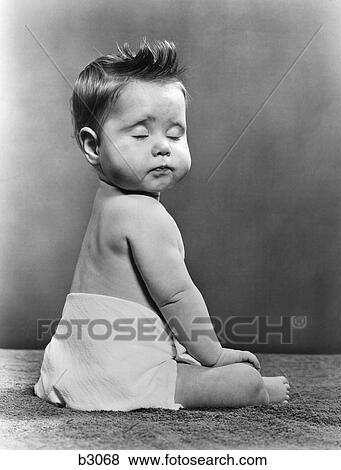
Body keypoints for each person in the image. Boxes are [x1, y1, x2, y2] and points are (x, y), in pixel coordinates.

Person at [34, 39, 290, 411]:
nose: (163, 147)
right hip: (119, 377)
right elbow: (175, 297)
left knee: (168, 354)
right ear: (93, 147)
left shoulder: (108, 203)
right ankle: (260, 391)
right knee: (245, 381)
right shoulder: (144, 214)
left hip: (72, 364)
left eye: (175, 134)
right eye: (141, 134)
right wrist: (213, 355)